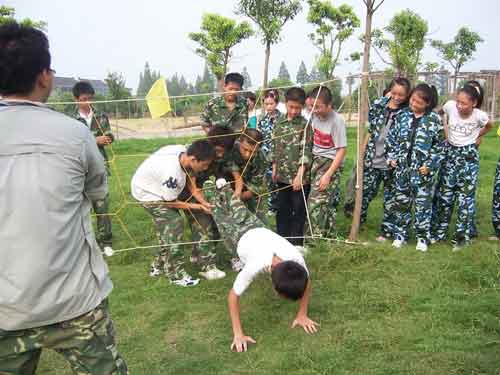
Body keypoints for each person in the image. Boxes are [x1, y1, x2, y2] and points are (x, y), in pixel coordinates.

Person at [0, 23, 127, 374]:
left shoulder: (82, 128)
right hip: (74, 303)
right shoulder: (73, 132)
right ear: (44, 76)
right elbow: (96, 190)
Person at [205, 178, 319, 352]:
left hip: (257, 229)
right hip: (237, 239)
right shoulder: (255, 265)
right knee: (219, 211)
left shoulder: (297, 260)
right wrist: (238, 334)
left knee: (233, 207)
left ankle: (221, 187)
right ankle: (210, 185)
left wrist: (302, 314)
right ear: (274, 286)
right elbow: (233, 296)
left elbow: (307, 282)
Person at [131, 140, 225, 286]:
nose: (206, 168)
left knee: (167, 230)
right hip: (147, 193)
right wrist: (199, 207)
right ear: (194, 159)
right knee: (174, 223)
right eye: (204, 165)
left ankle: (158, 266)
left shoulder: (184, 152)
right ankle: (175, 274)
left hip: (156, 186)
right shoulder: (172, 174)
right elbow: (171, 202)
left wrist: (203, 202)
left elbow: (192, 186)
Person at [431, 83, 492, 250]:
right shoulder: (450, 106)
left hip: (468, 157)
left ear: (474, 103)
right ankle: (439, 233)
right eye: (458, 101)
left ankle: (461, 238)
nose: (459, 105)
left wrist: (478, 135)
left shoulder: (480, 115)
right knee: (445, 196)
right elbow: (440, 113)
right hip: (450, 154)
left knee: (465, 199)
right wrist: (445, 129)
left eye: (464, 103)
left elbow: (489, 126)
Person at [386, 84, 444, 252]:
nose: (413, 104)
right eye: (412, 100)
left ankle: (422, 238)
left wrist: (430, 165)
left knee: (422, 205)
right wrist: (391, 158)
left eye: (418, 102)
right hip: (402, 170)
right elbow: (392, 139)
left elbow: (440, 146)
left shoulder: (434, 120)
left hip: (422, 171)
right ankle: (400, 235)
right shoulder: (402, 116)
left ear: (427, 103)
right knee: (401, 203)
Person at [361, 78, 411, 242]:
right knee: (365, 193)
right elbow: (372, 112)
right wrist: (385, 98)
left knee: (390, 199)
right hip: (372, 159)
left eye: (401, 95)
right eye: (394, 93)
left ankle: (387, 231)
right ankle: (357, 223)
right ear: (389, 91)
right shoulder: (380, 108)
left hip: (391, 164)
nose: (397, 97)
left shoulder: (406, 113)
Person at [73, 80, 114, 253]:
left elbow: (109, 135)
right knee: (78, 206)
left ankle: (105, 241)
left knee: (102, 205)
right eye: (84, 99)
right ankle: (81, 241)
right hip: (77, 168)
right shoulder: (69, 119)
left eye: (90, 98)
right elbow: (71, 143)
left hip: (99, 165)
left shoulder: (101, 116)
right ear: (76, 100)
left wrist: (108, 138)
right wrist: (94, 140)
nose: (87, 102)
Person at [272, 87, 313, 246]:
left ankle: (296, 243)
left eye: (298, 107)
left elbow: (306, 151)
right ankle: (281, 241)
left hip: (298, 178)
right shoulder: (279, 122)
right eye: (291, 107)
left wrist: (300, 175)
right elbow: (275, 146)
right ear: (285, 104)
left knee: (298, 210)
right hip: (282, 175)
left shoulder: (305, 125)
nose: (294, 111)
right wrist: (275, 167)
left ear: (302, 106)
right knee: (282, 209)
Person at [307, 86, 347, 238]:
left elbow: (342, 150)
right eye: (311, 106)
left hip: (330, 162)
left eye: (318, 107)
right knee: (323, 201)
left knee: (316, 201)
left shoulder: (337, 121)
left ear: (330, 105)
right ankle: (328, 235)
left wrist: (328, 174)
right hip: (315, 160)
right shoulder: (313, 116)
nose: (314, 110)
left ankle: (314, 237)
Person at [227, 128, 269, 222]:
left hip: (249, 191)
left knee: (258, 221)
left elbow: (256, 187)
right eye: (245, 149)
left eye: (253, 152)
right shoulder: (229, 149)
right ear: (240, 142)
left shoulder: (261, 158)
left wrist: (236, 199)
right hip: (229, 187)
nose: (247, 155)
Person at [257, 89, 281, 212]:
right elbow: (260, 137)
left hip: (279, 155)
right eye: (266, 104)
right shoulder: (262, 120)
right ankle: (273, 206)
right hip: (266, 156)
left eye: (271, 103)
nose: (268, 106)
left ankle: (282, 205)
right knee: (270, 181)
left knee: (280, 181)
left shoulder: (282, 119)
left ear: (276, 103)